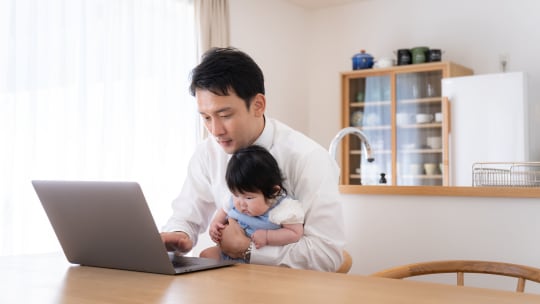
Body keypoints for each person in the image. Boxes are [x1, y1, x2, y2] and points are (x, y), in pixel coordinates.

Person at [160, 47, 345, 271]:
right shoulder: (207, 152)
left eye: (225, 115)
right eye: (206, 118)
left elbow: (326, 255)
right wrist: (180, 234)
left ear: (258, 105)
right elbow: (186, 215)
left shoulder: (308, 159)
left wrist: (247, 250)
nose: (215, 130)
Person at [199, 145, 304, 261]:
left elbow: (295, 233)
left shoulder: (283, 208)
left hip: (255, 259)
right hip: (226, 252)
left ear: (274, 192)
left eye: (249, 198)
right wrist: (215, 225)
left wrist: (268, 236)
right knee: (205, 256)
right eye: (236, 195)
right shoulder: (233, 200)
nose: (241, 204)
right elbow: (223, 210)